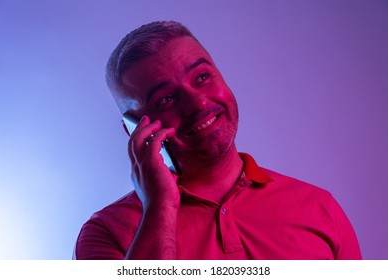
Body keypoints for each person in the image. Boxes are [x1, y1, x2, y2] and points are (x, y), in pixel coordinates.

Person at [74, 21, 362, 260]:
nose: (198, 103)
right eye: (166, 99)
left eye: (202, 77)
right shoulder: (104, 233)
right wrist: (159, 207)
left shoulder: (319, 208)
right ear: (134, 129)